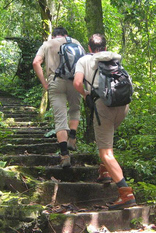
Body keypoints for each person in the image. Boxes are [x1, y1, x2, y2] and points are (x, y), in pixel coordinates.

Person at [73, 33, 136, 210]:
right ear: (105, 48)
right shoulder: (114, 59)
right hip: (123, 105)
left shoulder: (84, 60)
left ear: (89, 48)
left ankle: (126, 193)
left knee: (106, 152)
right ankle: (105, 172)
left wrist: (85, 94)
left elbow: (77, 83)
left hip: (104, 106)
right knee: (106, 140)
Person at [33, 27, 82, 168]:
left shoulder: (48, 44)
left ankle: (64, 154)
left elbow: (36, 62)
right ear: (66, 34)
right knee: (75, 109)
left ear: (54, 35)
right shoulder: (76, 42)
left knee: (60, 117)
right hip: (74, 81)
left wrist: (44, 83)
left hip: (55, 81)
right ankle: (72, 137)